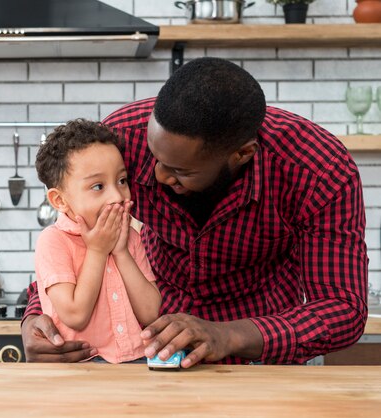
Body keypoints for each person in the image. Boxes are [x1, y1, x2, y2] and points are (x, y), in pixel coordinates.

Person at [22, 57, 368, 367]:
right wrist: (37, 316)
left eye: (180, 171)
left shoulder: (318, 171)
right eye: (154, 157)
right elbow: (73, 235)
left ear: (242, 154)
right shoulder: (122, 138)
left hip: (259, 358)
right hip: (154, 353)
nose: (157, 174)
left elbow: (342, 309)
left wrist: (228, 336)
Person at [34, 119, 162, 363]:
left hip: (137, 361)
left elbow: (151, 313)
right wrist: (97, 251)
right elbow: (75, 315)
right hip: (82, 367)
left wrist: (122, 252)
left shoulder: (130, 237)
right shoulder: (53, 242)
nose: (116, 196)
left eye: (122, 181)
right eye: (98, 186)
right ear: (59, 200)